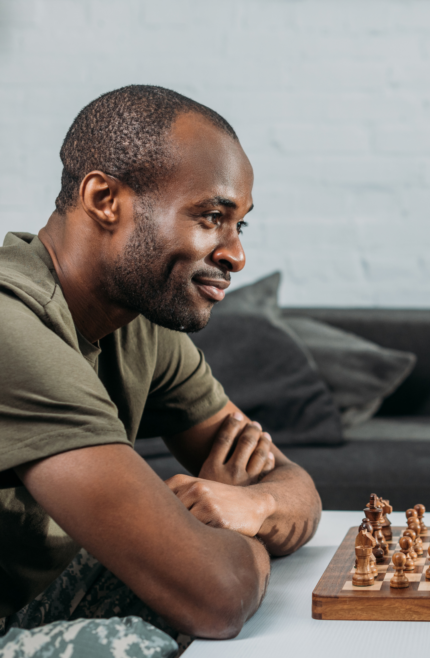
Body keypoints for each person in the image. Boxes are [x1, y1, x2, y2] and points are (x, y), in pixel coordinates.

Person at [0, 86, 322, 657]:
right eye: (211, 216)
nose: (236, 254)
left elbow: (295, 488)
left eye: (239, 225)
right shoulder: (9, 327)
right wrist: (224, 535)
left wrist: (256, 506)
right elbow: (216, 597)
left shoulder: (140, 320)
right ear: (104, 198)